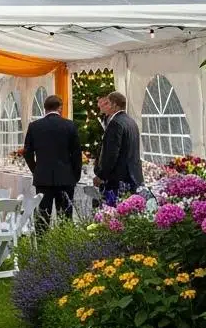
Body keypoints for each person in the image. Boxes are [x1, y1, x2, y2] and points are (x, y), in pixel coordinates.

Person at [22, 94, 82, 230]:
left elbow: (27, 152)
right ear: (60, 108)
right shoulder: (69, 125)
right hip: (66, 178)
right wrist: (75, 175)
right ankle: (65, 250)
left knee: (42, 218)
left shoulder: (34, 126)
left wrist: (36, 169)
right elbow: (77, 154)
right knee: (65, 219)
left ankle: (42, 249)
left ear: (45, 109)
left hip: (43, 178)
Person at [95, 91, 143, 205]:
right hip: (133, 176)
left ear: (115, 105)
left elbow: (111, 154)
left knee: (113, 214)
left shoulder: (115, 123)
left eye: (108, 103)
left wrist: (101, 176)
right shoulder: (131, 122)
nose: (106, 106)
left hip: (118, 178)